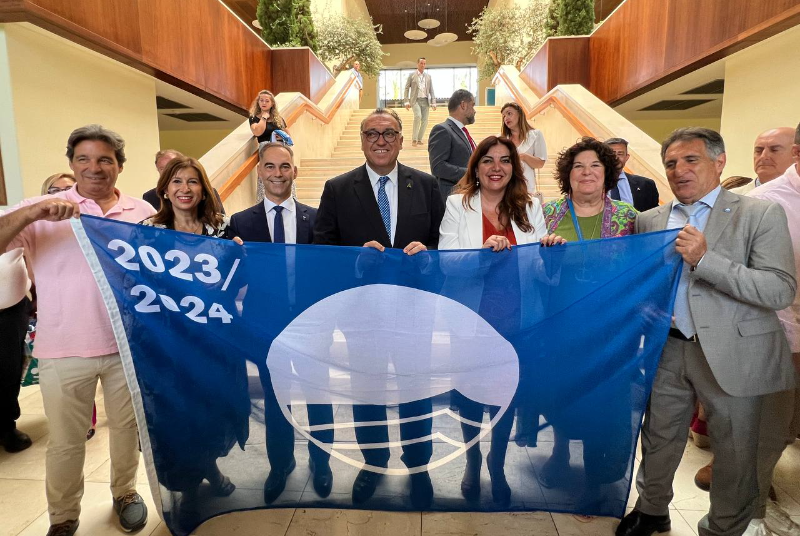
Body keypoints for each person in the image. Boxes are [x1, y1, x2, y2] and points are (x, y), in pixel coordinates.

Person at [617, 128, 796, 536]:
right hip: (669, 348)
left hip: (736, 353)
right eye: (671, 163)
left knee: (734, 448)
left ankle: (723, 526)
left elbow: (779, 289)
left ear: (719, 162)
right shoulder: (650, 220)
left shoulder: (759, 214)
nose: (679, 170)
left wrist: (706, 260)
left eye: (691, 160)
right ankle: (651, 509)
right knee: (659, 438)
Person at [0, 125, 155, 536]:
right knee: (67, 442)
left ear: (119, 166)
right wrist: (32, 213)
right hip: (63, 348)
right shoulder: (44, 208)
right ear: (71, 164)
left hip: (127, 347)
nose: (94, 168)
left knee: (127, 431)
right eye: (83, 159)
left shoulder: (142, 212)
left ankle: (125, 492)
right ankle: (64, 517)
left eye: (105, 159)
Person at [314, 108, 445, 508]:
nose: (381, 140)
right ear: (362, 140)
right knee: (366, 392)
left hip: (414, 314)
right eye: (372, 133)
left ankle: (418, 466)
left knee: (415, 393)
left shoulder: (426, 186)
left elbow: (446, 245)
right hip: (362, 317)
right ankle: (373, 464)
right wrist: (353, 262)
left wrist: (429, 257)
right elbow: (321, 252)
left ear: (403, 139)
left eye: (389, 133)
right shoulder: (337, 188)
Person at [439, 135, 547, 505]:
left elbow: (538, 265)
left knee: (506, 398)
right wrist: (481, 254)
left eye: (504, 160)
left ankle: (496, 463)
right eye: (488, 160)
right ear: (476, 167)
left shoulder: (530, 206)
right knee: (470, 398)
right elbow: (446, 260)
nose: (496, 167)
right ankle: (472, 462)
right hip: (471, 319)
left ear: (514, 168)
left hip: (517, 318)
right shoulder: (457, 204)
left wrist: (549, 252)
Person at [228, 142, 334, 504]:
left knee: (319, 398)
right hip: (266, 328)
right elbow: (234, 279)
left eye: (284, 167)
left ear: (295, 171)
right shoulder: (241, 222)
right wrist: (234, 256)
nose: (277, 174)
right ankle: (281, 464)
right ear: (260, 172)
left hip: (311, 327)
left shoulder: (317, 218)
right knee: (277, 401)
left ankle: (322, 464)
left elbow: (329, 272)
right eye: (270, 167)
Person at [537, 137, 637, 499]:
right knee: (561, 392)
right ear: (568, 175)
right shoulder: (547, 215)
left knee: (606, 398)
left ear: (608, 173)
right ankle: (560, 452)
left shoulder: (628, 217)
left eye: (595, 165)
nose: (587, 172)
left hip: (610, 326)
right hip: (560, 324)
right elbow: (530, 267)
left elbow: (638, 269)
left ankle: (597, 474)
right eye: (578, 166)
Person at [746, 121, 800, 536]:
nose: (763, 158)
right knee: (769, 430)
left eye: (772, 149)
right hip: (780, 334)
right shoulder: (764, 204)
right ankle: (752, 512)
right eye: (758, 149)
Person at [429, 89, 476, 200]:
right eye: (472, 105)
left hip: (465, 196)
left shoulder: (463, 132)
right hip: (451, 197)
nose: (474, 111)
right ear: (463, 105)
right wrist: (471, 173)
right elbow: (438, 167)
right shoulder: (442, 130)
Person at [143, 150, 224, 213]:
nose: (168, 171)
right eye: (163, 169)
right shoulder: (149, 197)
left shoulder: (208, 192)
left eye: (173, 166)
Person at [500, 102, 546, 201]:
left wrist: (524, 157)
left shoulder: (535, 135)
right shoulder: (502, 140)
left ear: (519, 114)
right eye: (504, 116)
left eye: (509, 113)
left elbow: (540, 163)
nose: (506, 118)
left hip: (527, 191)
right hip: (505, 190)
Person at [730, 127, 795, 194]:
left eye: (774, 150)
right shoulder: (729, 199)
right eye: (758, 151)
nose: (763, 156)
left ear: (796, 153)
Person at [605, 137, 660, 211]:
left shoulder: (646, 185)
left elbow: (654, 216)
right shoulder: (591, 183)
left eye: (620, 154)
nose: (616, 158)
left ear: (627, 157)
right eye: (612, 154)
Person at [404, 58, 436, 147]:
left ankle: (419, 139)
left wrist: (433, 102)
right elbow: (406, 88)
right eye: (421, 63)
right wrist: (406, 101)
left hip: (426, 100)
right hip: (415, 100)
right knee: (418, 116)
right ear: (417, 64)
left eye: (424, 63)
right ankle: (414, 139)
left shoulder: (428, 77)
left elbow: (431, 90)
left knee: (425, 121)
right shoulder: (412, 75)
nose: (423, 65)